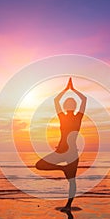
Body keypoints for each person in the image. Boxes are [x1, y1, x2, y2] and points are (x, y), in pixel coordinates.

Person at [36, 77, 87, 211]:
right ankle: (68, 205)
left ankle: (68, 204)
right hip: (70, 152)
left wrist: (67, 89)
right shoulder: (77, 117)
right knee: (72, 181)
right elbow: (84, 100)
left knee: (40, 165)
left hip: (64, 151)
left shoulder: (66, 116)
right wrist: (73, 90)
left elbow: (56, 100)